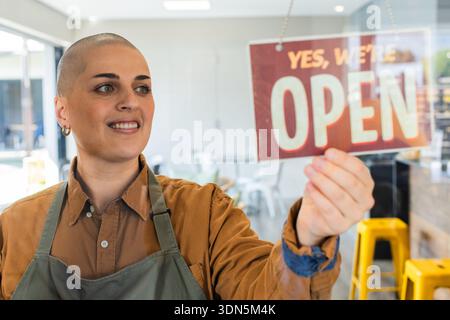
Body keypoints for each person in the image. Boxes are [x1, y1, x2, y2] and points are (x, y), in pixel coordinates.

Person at [0, 33, 374, 300]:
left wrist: (308, 235)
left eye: (142, 88)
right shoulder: (13, 227)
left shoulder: (207, 213)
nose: (132, 101)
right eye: (106, 88)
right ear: (62, 111)